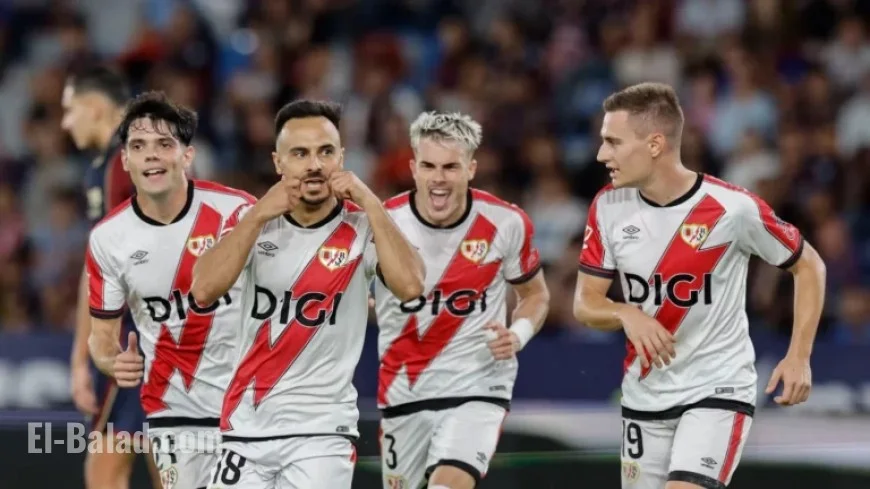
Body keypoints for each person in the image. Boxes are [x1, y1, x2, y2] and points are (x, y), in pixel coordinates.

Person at [573, 82, 827, 489]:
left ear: (654, 144)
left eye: (613, 142)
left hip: (717, 388)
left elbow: (809, 265)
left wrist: (799, 355)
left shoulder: (732, 208)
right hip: (644, 395)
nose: (602, 154)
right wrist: (626, 312)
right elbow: (585, 304)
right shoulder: (608, 206)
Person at [190, 99, 425, 489]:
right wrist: (259, 213)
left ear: (342, 158)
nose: (314, 164)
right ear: (278, 162)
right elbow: (203, 290)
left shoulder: (363, 227)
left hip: (322, 432)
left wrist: (369, 201)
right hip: (246, 426)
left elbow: (412, 285)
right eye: (300, 153)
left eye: (325, 152)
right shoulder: (251, 222)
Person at [85, 91, 256, 489]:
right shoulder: (109, 238)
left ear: (187, 155)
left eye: (165, 144)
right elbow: (102, 339)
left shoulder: (238, 212)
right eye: (139, 146)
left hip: (249, 409)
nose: (152, 155)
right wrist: (112, 362)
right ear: (125, 160)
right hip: (172, 415)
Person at [372, 111, 550, 489]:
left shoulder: (506, 222)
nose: (439, 178)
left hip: (477, 386)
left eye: (451, 166)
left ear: (471, 168)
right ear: (413, 167)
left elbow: (535, 295)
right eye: (429, 166)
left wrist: (517, 334)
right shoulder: (381, 224)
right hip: (403, 391)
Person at [60, 65, 159, 489]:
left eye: (70, 110)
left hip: (140, 340)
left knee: (106, 471)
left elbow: (107, 269)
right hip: (147, 339)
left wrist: (86, 355)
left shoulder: (128, 160)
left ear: (96, 108)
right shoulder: (109, 166)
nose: (65, 123)